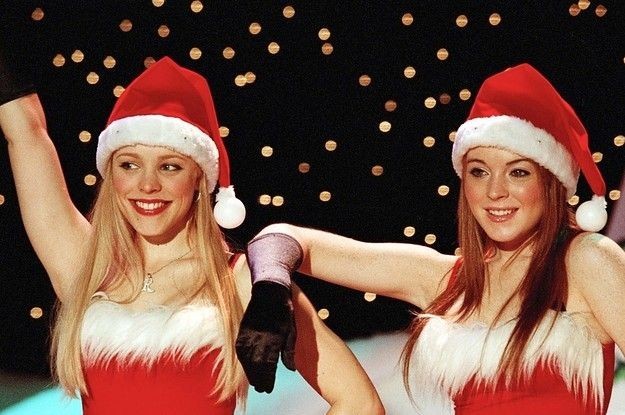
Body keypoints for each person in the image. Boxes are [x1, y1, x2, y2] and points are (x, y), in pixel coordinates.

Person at [0, 47, 385, 414]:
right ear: (110, 175)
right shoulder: (86, 268)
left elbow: (360, 403)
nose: (147, 185)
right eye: (129, 165)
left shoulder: (242, 281)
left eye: (169, 167)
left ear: (199, 179)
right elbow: (26, 132)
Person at [235, 63, 625, 414]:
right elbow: (280, 238)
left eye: (518, 172)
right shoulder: (445, 280)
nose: (495, 192)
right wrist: (271, 290)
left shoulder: (586, 260)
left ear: (552, 182)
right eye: (479, 172)